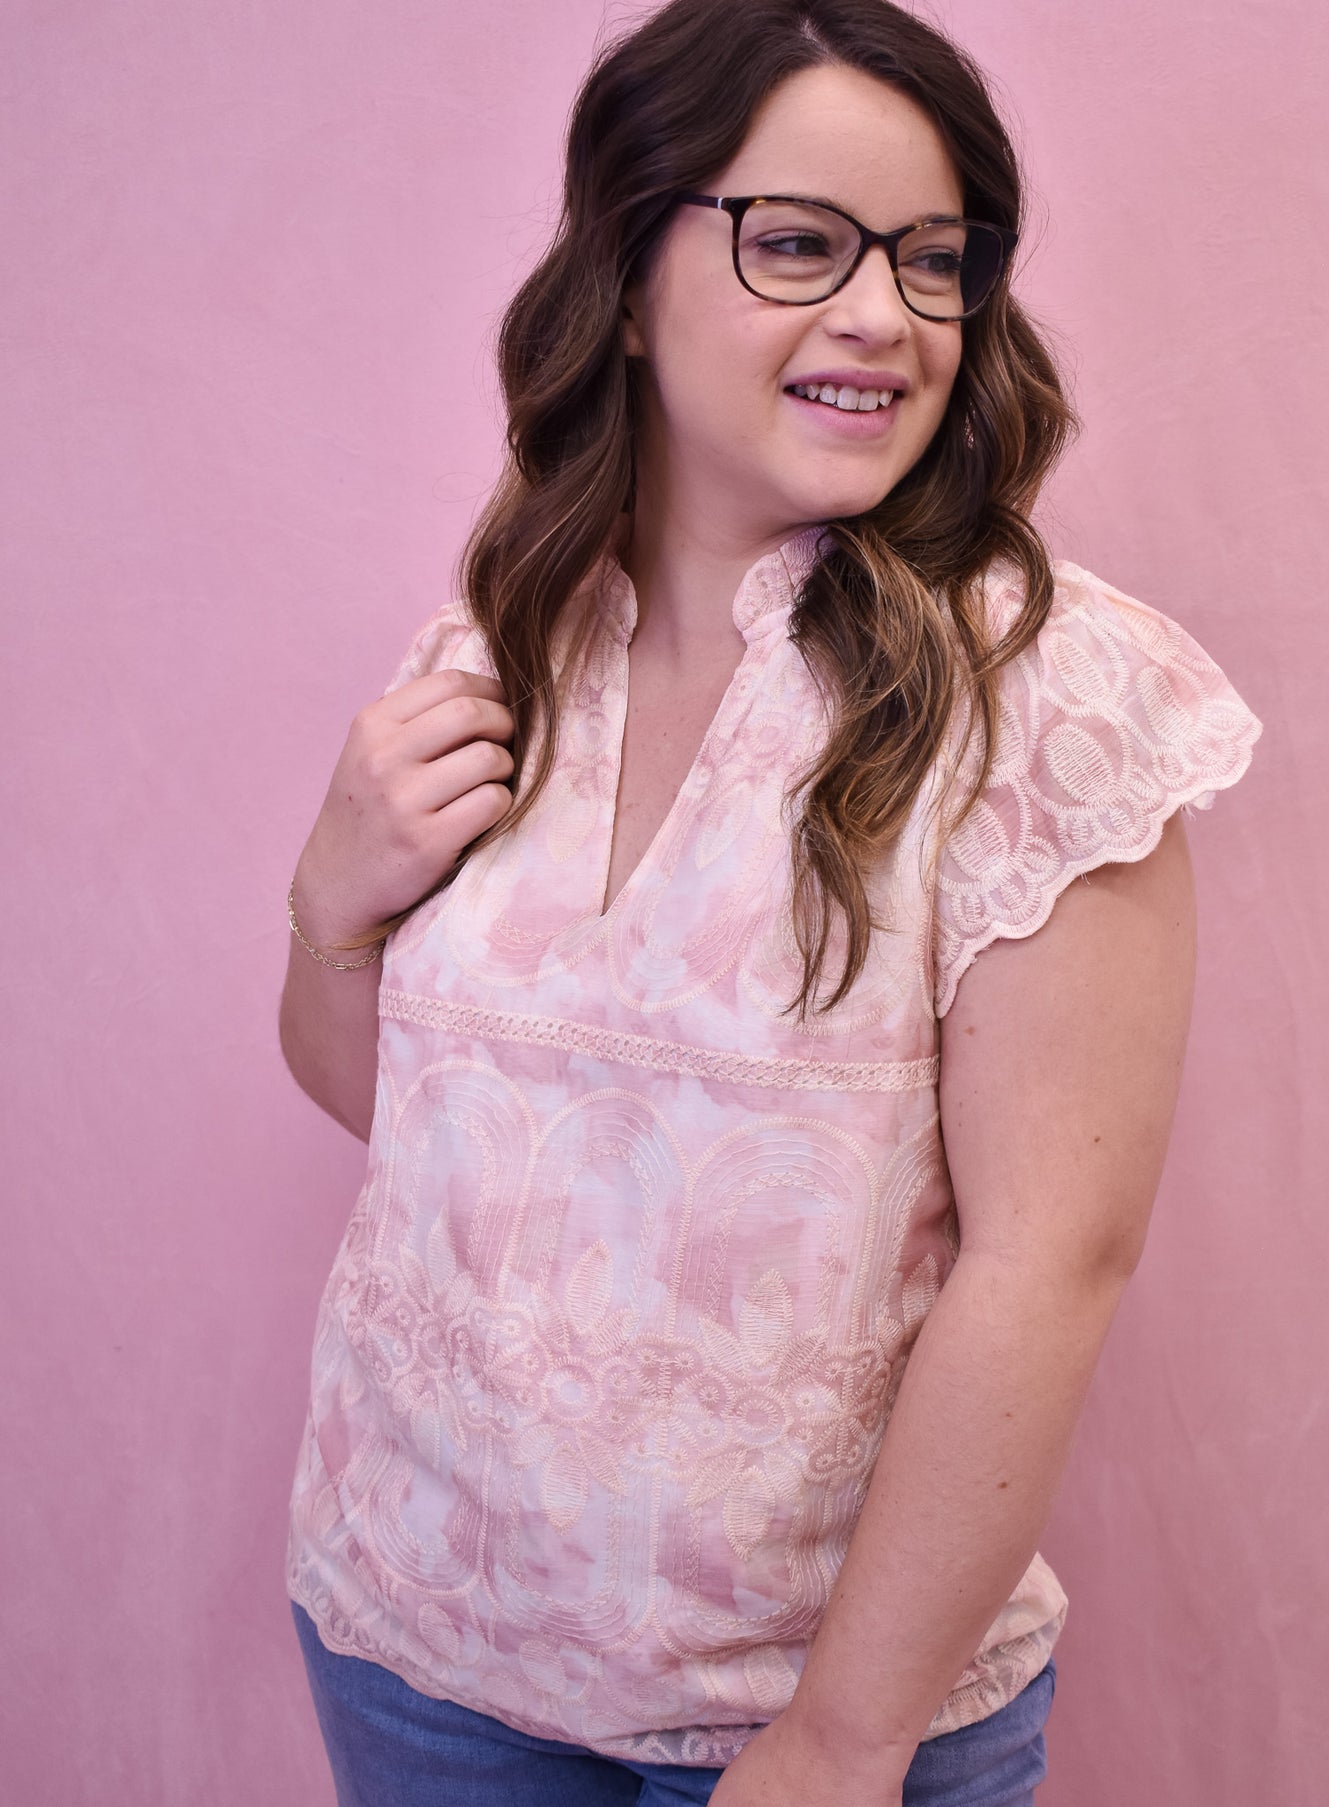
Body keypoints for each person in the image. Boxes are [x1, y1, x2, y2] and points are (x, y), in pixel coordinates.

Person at [278, 2, 1263, 1802]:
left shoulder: (1047, 695)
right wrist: (326, 910)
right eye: (797, 242)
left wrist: (840, 1734)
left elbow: (1057, 1254)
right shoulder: (502, 638)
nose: (883, 317)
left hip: (805, 1718)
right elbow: (419, 1125)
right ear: (624, 267)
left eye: (933, 261)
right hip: (412, 1639)